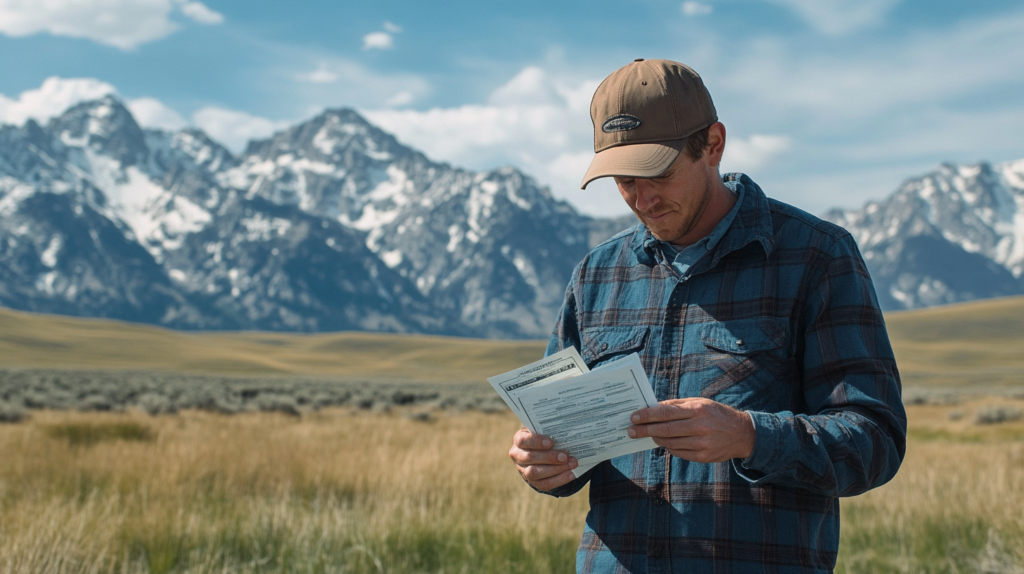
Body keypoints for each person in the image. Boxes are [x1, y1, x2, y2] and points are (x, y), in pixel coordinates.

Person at [508, 58, 907, 574]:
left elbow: (875, 440)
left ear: (713, 144)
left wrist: (750, 435)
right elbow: (562, 443)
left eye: (659, 173)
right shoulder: (595, 275)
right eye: (624, 181)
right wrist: (544, 465)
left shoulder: (817, 256)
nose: (642, 199)